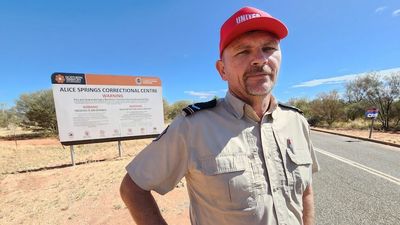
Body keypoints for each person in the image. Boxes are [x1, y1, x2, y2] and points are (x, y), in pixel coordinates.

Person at [120, 6, 320, 225]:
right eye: (243, 51)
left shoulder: (296, 121)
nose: (259, 59)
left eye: (269, 48)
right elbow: (133, 188)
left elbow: (306, 191)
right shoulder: (193, 127)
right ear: (222, 69)